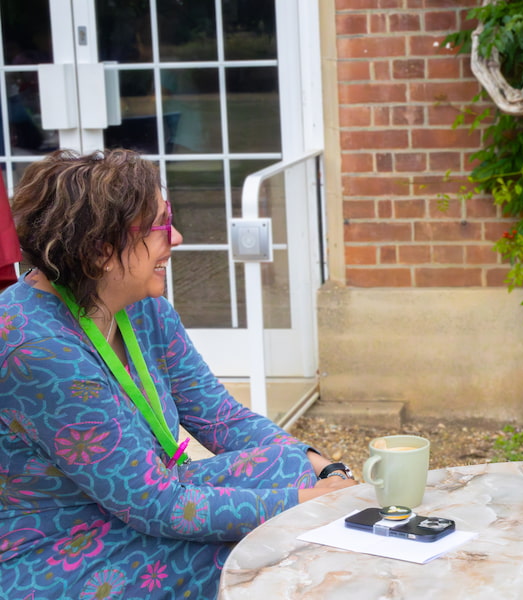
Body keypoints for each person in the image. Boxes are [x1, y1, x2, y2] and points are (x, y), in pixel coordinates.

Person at [0, 149, 357, 598]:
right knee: (260, 549)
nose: (179, 237)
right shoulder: (40, 351)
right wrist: (309, 505)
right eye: (161, 226)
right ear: (101, 251)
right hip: (61, 553)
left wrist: (325, 470)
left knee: (288, 465)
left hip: (130, 511)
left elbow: (221, 417)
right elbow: (157, 505)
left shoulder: (141, 306)